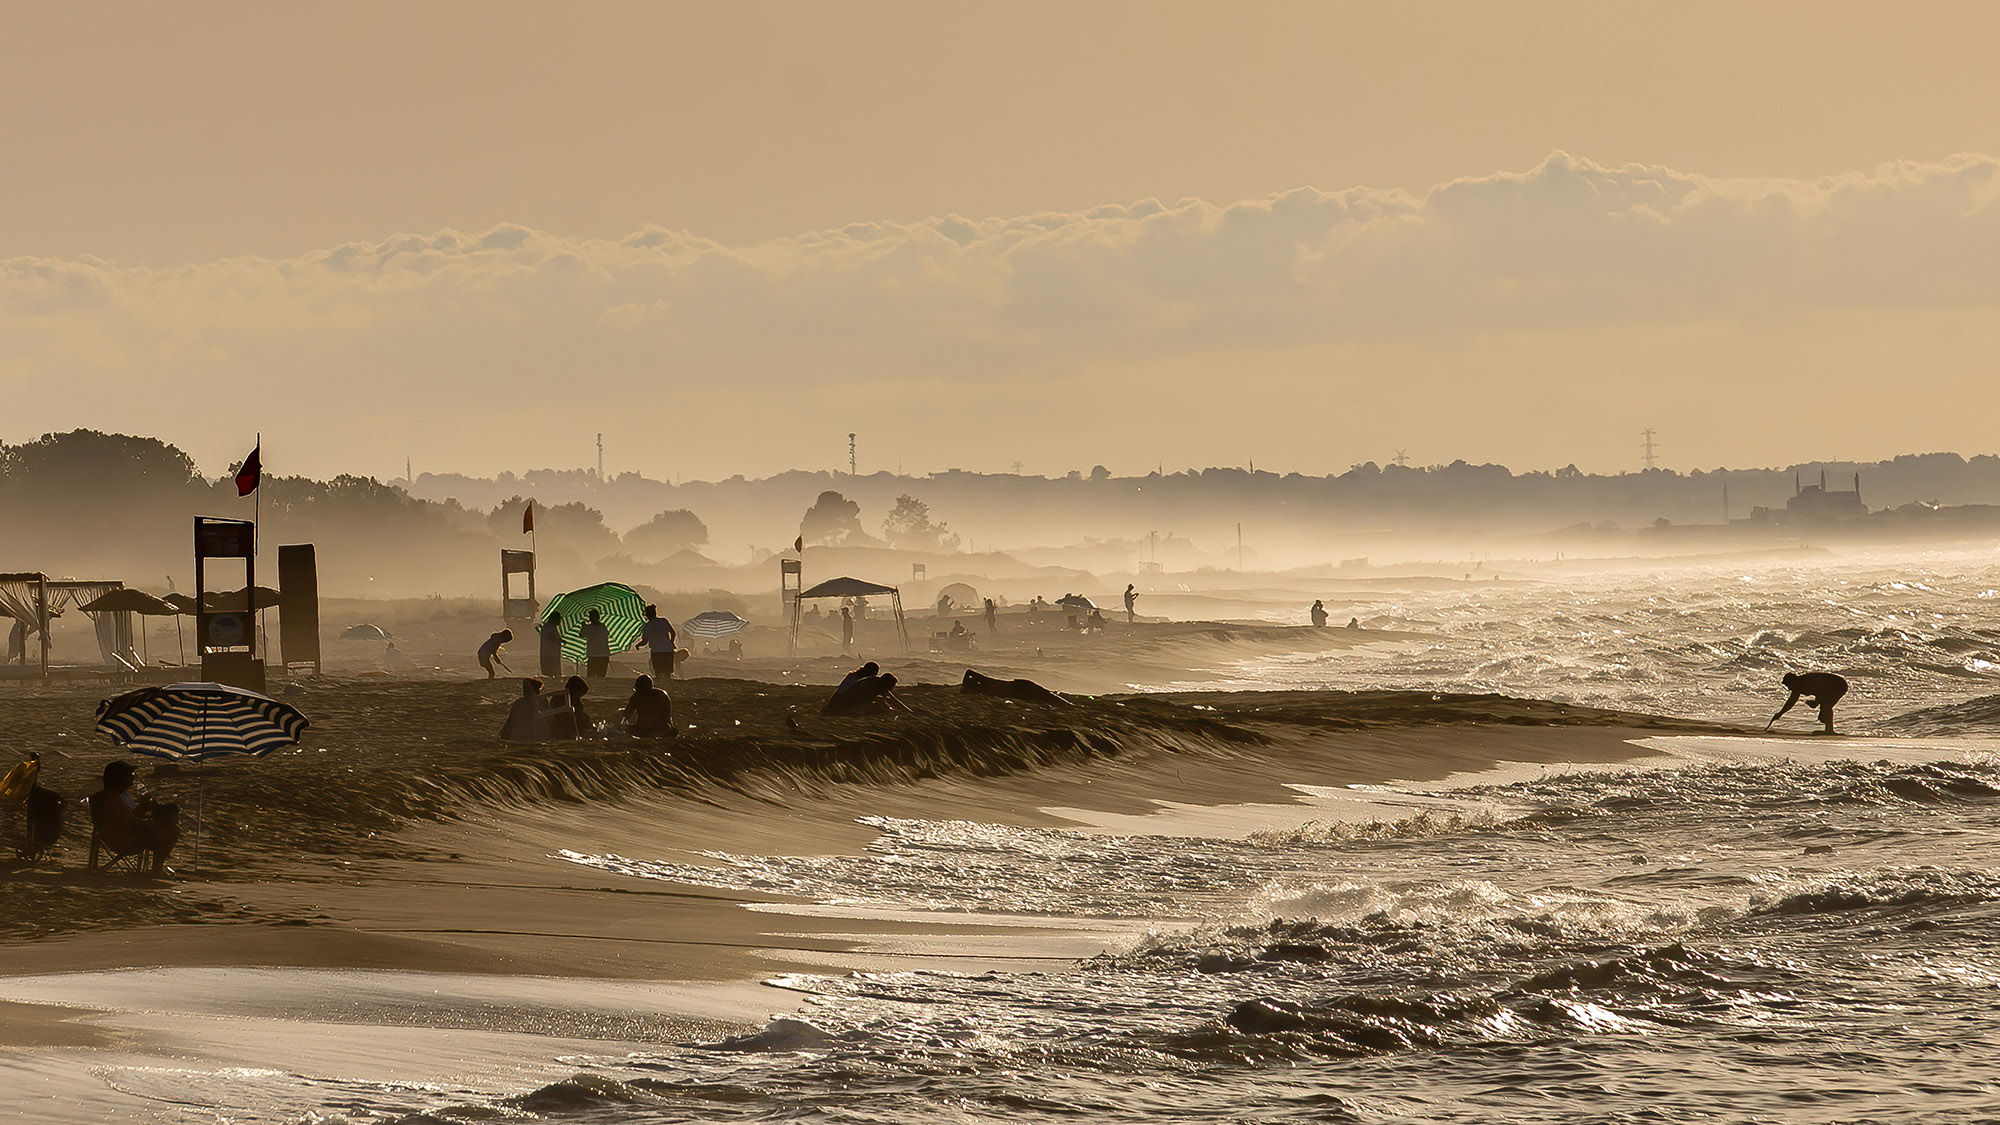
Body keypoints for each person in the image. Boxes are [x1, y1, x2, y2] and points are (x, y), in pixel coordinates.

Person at [90, 760, 178, 875]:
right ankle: (156, 869)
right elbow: (129, 823)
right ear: (119, 779)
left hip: (118, 836)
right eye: (130, 778)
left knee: (165, 821)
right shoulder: (110, 799)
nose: (131, 782)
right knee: (173, 831)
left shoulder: (107, 797)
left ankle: (156, 869)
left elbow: (125, 819)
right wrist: (148, 815)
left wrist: (143, 811)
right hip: (125, 840)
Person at [1769, 671, 1849, 734]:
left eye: (1788, 685)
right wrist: (1780, 713)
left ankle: (1829, 730)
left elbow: (1821, 690)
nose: (1789, 689)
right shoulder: (1798, 685)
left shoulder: (1804, 683)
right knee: (1823, 711)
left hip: (1838, 684)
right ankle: (1828, 729)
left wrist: (1816, 702)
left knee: (1825, 707)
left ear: (1792, 682)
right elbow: (1791, 702)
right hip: (1830, 686)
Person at [824, 668, 912, 715]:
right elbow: (892, 700)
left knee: (880, 703)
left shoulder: (876, 682)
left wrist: (909, 711)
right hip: (845, 705)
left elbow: (893, 700)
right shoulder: (872, 686)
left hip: (845, 703)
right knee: (879, 704)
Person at [621, 674, 674, 738]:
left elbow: (627, 714)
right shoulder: (662, 695)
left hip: (643, 729)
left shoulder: (637, 696)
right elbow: (667, 717)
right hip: (661, 728)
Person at [500, 677, 551, 742]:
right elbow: (549, 720)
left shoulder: (518, 703)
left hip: (520, 737)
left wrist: (503, 737)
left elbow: (509, 723)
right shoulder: (543, 701)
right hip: (541, 736)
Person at [641, 605, 678, 679]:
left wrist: (638, 645)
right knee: (667, 671)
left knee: (658, 671)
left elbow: (645, 641)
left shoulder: (648, 626)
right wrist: (671, 642)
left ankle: (661, 685)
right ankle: (668, 685)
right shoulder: (663, 621)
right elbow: (673, 632)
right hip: (668, 650)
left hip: (656, 651)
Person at [581, 609, 612, 678]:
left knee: (591, 677)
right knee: (600, 677)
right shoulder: (603, 627)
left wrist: (583, 626)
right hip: (602, 655)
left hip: (594, 655)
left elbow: (581, 634)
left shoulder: (589, 628)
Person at [539, 612, 563, 677]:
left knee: (552, 673)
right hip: (550, 654)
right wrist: (560, 641)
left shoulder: (550, 627)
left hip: (551, 654)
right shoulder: (549, 627)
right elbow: (551, 637)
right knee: (552, 673)